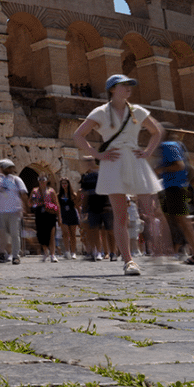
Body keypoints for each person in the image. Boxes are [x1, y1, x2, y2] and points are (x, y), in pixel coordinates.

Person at [72, 74, 167, 276]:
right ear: (112, 89)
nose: (128, 88)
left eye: (129, 85)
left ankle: (159, 253)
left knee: (150, 211)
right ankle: (128, 261)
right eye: (124, 86)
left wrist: (148, 152)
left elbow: (156, 131)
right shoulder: (100, 112)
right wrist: (97, 154)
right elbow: (78, 135)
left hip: (135, 159)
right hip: (113, 161)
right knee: (120, 215)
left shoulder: (137, 111)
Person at [154, 130, 194, 265]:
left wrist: (159, 169)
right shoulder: (173, 145)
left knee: (183, 222)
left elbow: (178, 165)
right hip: (174, 187)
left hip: (175, 187)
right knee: (176, 221)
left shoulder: (168, 145)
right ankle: (190, 254)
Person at [0, 159, 29, 265]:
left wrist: (25, 207)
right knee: (2, 235)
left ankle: (15, 256)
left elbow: (23, 193)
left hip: (14, 211)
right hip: (0, 211)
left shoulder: (16, 180)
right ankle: (3, 254)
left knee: (14, 234)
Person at [30, 177, 60, 262]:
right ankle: (46, 251)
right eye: (40, 179)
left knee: (51, 234)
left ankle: (53, 254)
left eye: (43, 179)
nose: (42, 181)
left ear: (47, 181)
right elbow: (30, 202)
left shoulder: (51, 191)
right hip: (40, 213)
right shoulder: (35, 191)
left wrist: (59, 217)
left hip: (50, 213)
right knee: (41, 234)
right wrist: (35, 203)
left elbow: (56, 204)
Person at [57, 177, 80, 260]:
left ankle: (73, 252)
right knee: (65, 233)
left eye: (65, 183)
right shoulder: (58, 195)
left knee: (72, 234)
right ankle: (67, 251)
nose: (64, 185)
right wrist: (58, 218)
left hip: (72, 214)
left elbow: (77, 206)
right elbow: (58, 207)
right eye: (62, 183)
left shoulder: (73, 194)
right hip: (63, 215)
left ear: (68, 184)